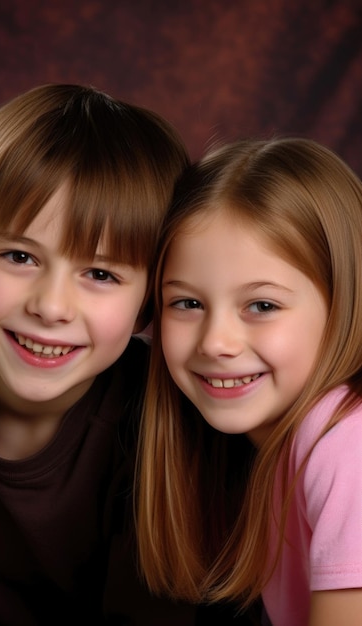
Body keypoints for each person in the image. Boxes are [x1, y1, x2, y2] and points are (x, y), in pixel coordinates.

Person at [0, 82, 201, 626]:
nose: (52, 306)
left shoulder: (163, 432)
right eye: (20, 256)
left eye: (101, 274)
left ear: (147, 305)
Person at [135, 137, 362, 626]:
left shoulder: (346, 442)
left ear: (343, 303)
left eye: (262, 305)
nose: (217, 342)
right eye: (187, 303)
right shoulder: (267, 455)